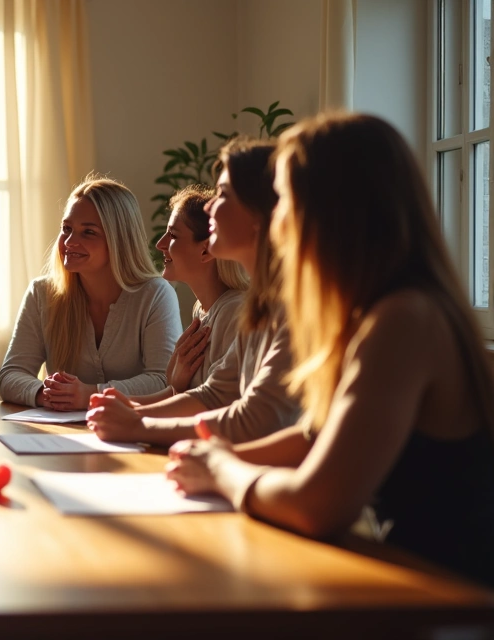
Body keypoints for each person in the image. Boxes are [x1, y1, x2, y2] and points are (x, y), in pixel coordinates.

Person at [166, 112, 494, 587]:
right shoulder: (377, 313)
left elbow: (316, 504)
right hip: (416, 586)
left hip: (451, 601)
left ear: (329, 212)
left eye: (285, 202)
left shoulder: (403, 321)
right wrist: (207, 458)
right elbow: (315, 439)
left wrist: (223, 470)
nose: (275, 221)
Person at [87, 140, 300, 445]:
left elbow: (250, 418)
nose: (211, 205)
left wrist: (137, 423)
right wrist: (135, 411)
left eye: (223, 194)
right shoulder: (257, 306)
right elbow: (215, 394)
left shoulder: (264, 310)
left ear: (261, 215)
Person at [0, 175, 179, 409]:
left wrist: (91, 395)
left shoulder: (155, 294)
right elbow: (11, 374)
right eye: (67, 229)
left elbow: (163, 381)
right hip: (59, 433)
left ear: (119, 239)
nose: (70, 241)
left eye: (89, 232)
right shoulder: (41, 293)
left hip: (131, 432)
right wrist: (49, 393)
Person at [133, 185, 248, 403]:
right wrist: (119, 403)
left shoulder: (233, 312)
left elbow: (212, 404)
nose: (160, 244)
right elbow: (186, 394)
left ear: (206, 249)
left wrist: (174, 386)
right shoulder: (203, 309)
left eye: (173, 235)